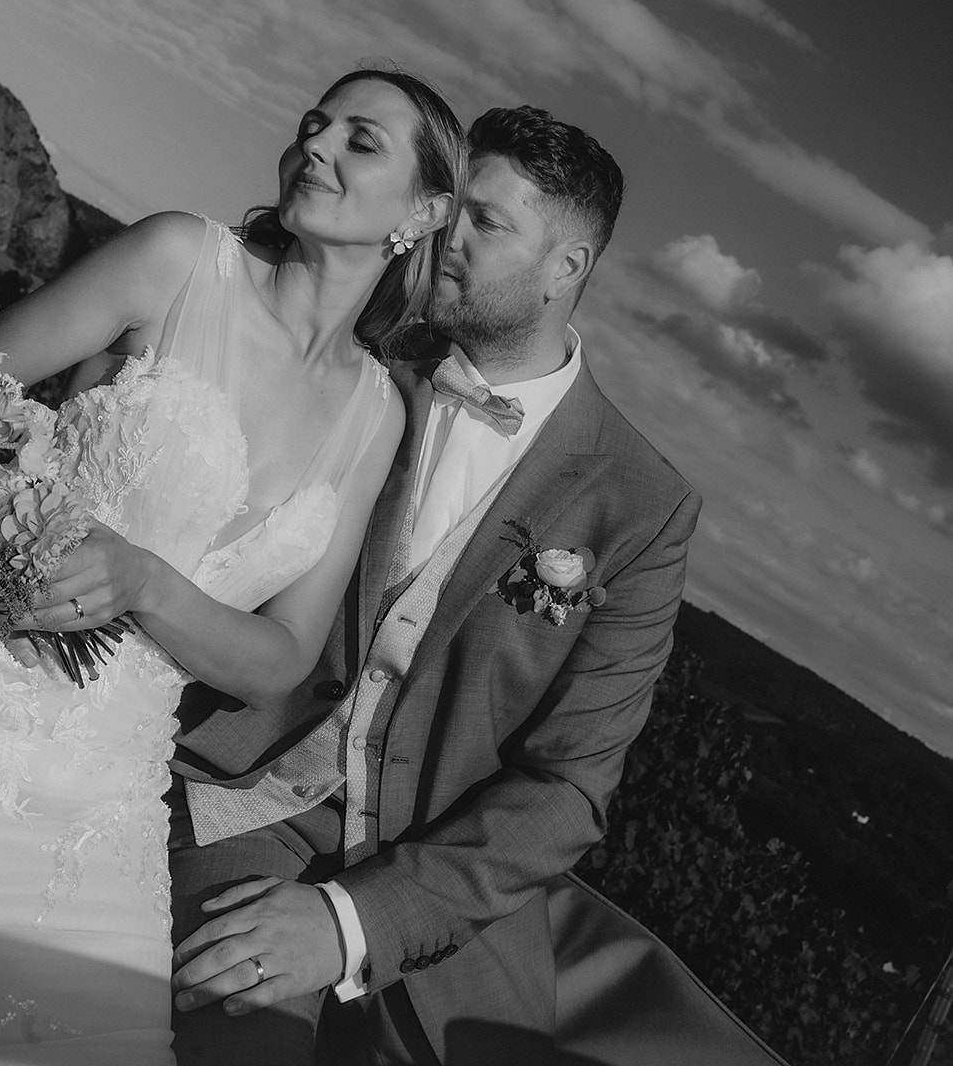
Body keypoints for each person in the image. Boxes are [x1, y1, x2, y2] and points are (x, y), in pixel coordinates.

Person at [168, 105, 788, 1065]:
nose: (446, 236)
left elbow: (569, 787)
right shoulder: (359, 353)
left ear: (565, 268)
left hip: (448, 898)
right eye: (451, 208)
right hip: (247, 805)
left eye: (487, 223)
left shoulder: (642, 504)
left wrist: (351, 920)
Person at [0, 68, 467, 1066]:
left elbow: (281, 657)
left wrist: (148, 583)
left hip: (109, 803)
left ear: (423, 212)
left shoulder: (376, 417)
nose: (316, 144)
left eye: (359, 140)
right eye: (314, 123)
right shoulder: (178, 259)